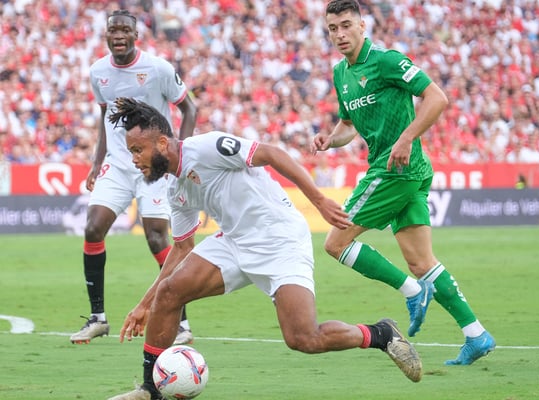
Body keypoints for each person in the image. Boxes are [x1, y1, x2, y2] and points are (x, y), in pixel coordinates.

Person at [106, 97, 423, 400]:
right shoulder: (176, 187)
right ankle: (151, 390)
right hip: (234, 241)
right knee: (168, 292)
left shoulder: (205, 147)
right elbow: (181, 248)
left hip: (279, 239)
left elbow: (271, 153)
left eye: (138, 150)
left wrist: (319, 200)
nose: (134, 159)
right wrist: (144, 304)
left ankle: (380, 333)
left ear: (162, 143)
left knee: (303, 338)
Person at [311, 0, 495, 366]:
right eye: (333, 28)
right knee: (421, 261)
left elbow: (437, 97)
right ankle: (476, 334)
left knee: (335, 242)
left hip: (394, 169)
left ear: (362, 26)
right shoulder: (341, 73)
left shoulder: (387, 61)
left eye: (346, 25)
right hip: (404, 170)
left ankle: (412, 292)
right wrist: (330, 139)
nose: (340, 34)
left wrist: (407, 136)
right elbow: (347, 125)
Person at [70, 10, 198, 346]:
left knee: (157, 238)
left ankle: (181, 323)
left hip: (154, 166)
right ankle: (98, 318)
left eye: (125, 30)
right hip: (117, 164)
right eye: (113, 30)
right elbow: (105, 117)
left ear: (136, 35)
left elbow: (190, 109)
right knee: (92, 228)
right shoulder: (98, 72)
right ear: (106, 35)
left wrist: (180, 155)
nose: (119, 35)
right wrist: (97, 162)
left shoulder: (158, 69)